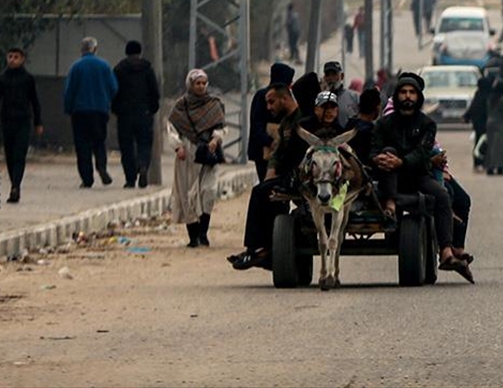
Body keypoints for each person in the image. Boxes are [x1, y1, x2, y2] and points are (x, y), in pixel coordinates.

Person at [370, 73, 474, 282]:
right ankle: (389, 204)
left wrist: (402, 162)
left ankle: (446, 252)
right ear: (397, 96)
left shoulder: (427, 124)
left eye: (412, 93)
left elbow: (423, 153)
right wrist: (380, 159)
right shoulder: (383, 124)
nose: (407, 96)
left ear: (418, 97)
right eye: (403, 92)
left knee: (443, 196)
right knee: (388, 150)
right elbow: (373, 150)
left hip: (418, 176)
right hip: (389, 177)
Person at [229, 88, 347, 269]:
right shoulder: (303, 128)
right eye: (325, 107)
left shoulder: (341, 132)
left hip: (335, 188)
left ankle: (268, 249)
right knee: (262, 191)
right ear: (315, 109)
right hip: (300, 181)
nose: (329, 111)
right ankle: (257, 248)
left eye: (332, 107)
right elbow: (286, 154)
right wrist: (276, 171)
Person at [167, 69, 225, 248]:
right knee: (188, 194)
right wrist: (178, 146)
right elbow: (172, 127)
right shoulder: (181, 106)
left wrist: (216, 139)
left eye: (203, 83)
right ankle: (193, 237)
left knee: (208, 191)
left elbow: (221, 126)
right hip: (187, 153)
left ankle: (203, 233)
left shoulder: (214, 104)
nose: (201, 87)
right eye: (197, 83)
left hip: (208, 153)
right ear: (190, 85)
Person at [63, 37, 118, 188]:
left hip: (80, 112)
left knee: (82, 145)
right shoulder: (104, 66)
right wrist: (108, 102)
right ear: (95, 49)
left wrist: (68, 108)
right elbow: (114, 88)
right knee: (99, 142)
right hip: (100, 111)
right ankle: (101, 166)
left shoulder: (76, 67)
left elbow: (69, 91)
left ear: (82, 50)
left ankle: (87, 178)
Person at [111, 41, 161, 189]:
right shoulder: (147, 69)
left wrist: (116, 109)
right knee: (144, 142)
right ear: (139, 52)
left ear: (126, 52)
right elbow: (154, 92)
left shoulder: (119, 69)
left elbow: (114, 91)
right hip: (144, 112)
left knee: (126, 146)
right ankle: (143, 164)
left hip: (125, 114)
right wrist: (152, 109)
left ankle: (130, 179)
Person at [0, 47, 43, 203]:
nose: (12, 60)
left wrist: (38, 122)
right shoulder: (2, 78)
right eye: (10, 56)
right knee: (9, 155)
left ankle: (16, 186)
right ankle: (13, 184)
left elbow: (35, 101)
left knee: (19, 154)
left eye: (16, 57)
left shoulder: (28, 79)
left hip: (23, 121)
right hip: (7, 120)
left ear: (22, 59)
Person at [249, 62, 295, 183]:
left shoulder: (284, 98)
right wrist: (270, 141)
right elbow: (257, 125)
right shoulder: (263, 96)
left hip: (279, 152)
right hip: (263, 152)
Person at [483, 74, 503, 175]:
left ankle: (489, 167)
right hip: (500, 125)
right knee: (499, 147)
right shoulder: (502, 100)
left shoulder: (490, 98)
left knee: (490, 146)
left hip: (489, 123)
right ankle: (499, 167)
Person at [322, 61, 359, 127]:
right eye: (328, 75)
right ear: (324, 77)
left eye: (334, 74)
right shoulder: (320, 99)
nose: (331, 78)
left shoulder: (354, 97)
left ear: (342, 76)